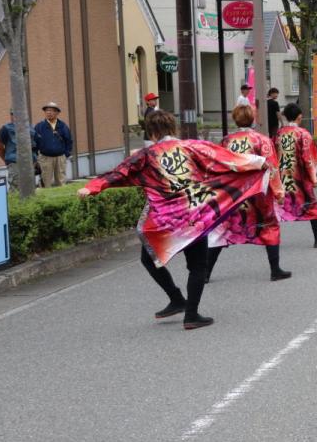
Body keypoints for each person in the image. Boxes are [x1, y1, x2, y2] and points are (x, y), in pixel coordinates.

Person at [77, 109, 270, 330]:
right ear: (173, 127)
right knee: (197, 266)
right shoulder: (191, 146)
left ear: (151, 132)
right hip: (195, 213)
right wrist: (259, 162)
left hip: (165, 221)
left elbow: (120, 172)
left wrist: (92, 187)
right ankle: (190, 314)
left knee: (149, 259)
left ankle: (176, 297)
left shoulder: (147, 154)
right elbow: (225, 159)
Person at [207, 104, 293, 283]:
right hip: (258, 192)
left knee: (222, 231)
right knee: (269, 226)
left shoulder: (226, 141)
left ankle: (205, 274)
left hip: (233, 194)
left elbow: (219, 167)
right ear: (253, 118)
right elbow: (272, 168)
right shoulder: (261, 140)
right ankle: (275, 270)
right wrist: (278, 191)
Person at [275, 102, 317, 248]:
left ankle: (272, 241)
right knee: (311, 206)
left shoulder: (279, 134)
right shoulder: (303, 134)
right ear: (299, 117)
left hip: (282, 177)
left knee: (277, 208)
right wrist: (314, 177)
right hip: (300, 178)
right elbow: (308, 158)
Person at [33, 101, 73, 187]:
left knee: (61, 181)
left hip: (60, 157)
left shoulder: (62, 125)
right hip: (45, 157)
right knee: (46, 181)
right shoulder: (39, 126)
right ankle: (45, 199)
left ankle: (62, 198)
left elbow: (69, 141)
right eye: (47, 110)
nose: (48, 112)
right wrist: (36, 157)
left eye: (51, 110)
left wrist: (66, 154)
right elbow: (34, 142)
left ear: (57, 112)